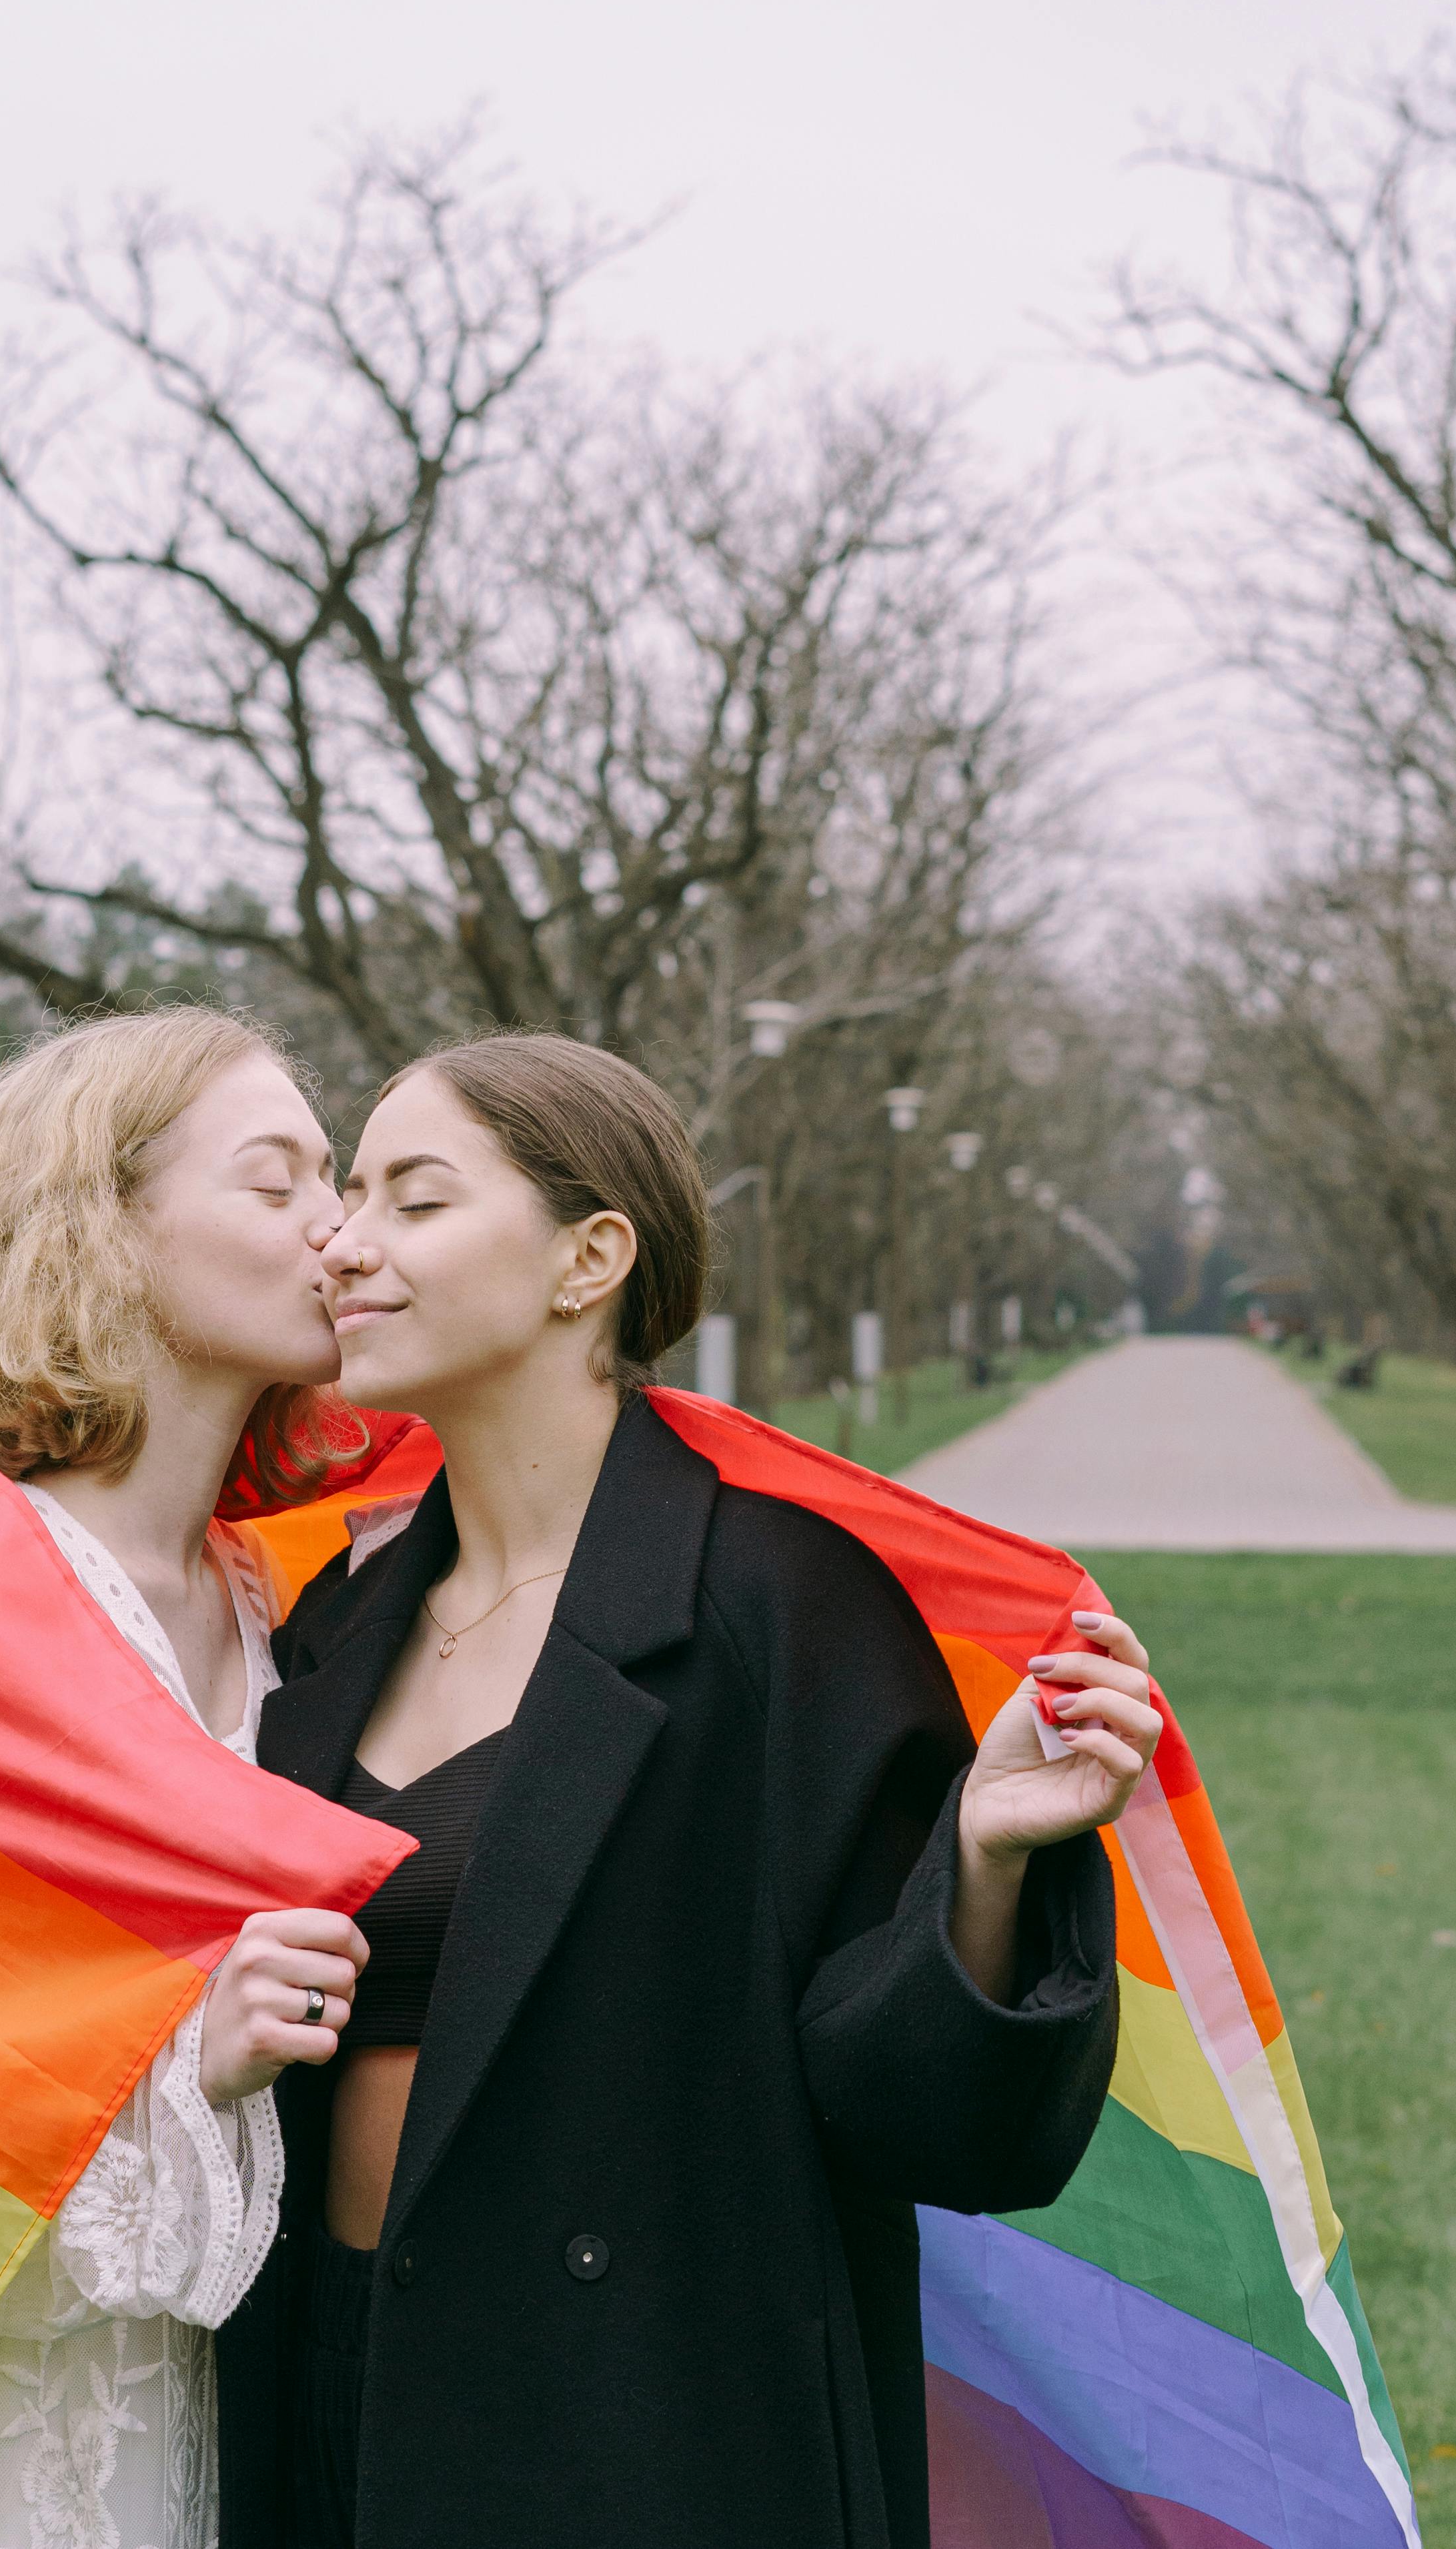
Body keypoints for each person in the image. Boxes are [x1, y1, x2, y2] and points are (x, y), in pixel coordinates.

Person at [223, 1033, 1163, 2549]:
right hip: (336, 2388)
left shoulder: (784, 1608)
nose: (342, 1240)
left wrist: (980, 1869)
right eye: (348, 1196)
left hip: (647, 2430)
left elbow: (937, 2128)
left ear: (588, 1257)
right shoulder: (330, 1619)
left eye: (414, 1199)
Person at [0, 1008, 378, 2549]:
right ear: (105, 1232)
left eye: (341, 1176)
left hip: (244, 2368)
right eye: (278, 1183)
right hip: (24, 2405)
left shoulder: (281, 1590)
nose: (340, 1223)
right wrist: (199, 2061)